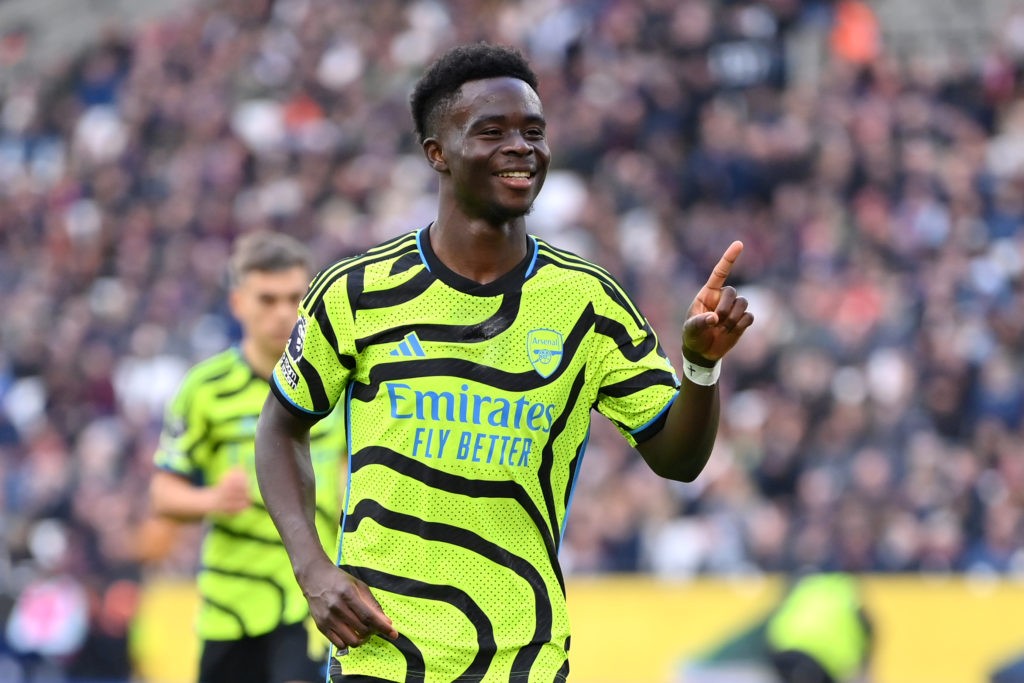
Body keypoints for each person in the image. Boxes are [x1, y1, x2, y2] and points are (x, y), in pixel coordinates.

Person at [254, 42, 753, 682]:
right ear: (438, 152)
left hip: (524, 661)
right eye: (492, 131)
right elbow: (279, 425)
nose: (522, 147)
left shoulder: (589, 304)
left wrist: (700, 369)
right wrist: (312, 567)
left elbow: (678, 461)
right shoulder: (359, 292)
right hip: (381, 659)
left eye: (534, 132)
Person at [150, 231, 346, 683]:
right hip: (229, 604)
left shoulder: (337, 387)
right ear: (238, 303)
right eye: (267, 299)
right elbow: (163, 492)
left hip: (309, 600)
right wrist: (210, 499)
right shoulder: (205, 388)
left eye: (295, 298)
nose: (283, 313)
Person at [764, 573, 874, 683]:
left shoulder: (807, 587)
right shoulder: (848, 592)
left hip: (784, 646)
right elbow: (868, 630)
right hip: (824, 659)